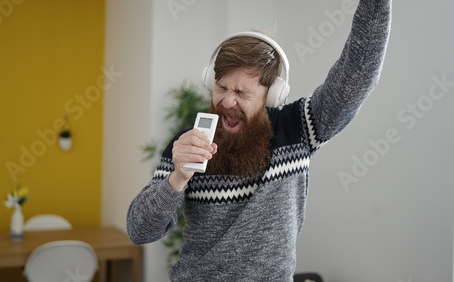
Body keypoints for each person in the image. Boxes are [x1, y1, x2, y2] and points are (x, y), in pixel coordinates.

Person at [127, 0, 392, 281]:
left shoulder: (299, 127)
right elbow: (139, 231)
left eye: (242, 93)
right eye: (221, 87)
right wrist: (176, 180)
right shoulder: (187, 145)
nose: (228, 101)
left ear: (272, 96)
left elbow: (358, 74)